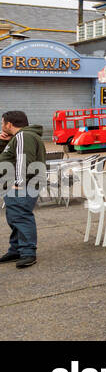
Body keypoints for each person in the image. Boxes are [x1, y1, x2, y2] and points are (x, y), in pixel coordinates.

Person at [0, 110, 45, 267]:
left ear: (9, 124)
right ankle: (16, 250)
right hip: (14, 186)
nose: (2, 126)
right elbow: (8, 157)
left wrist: (19, 183)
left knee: (21, 217)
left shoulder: (23, 136)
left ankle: (27, 253)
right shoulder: (18, 138)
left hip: (22, 186)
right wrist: (3, 142)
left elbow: (23, 160)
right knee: (14, 218)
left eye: (2, 123)